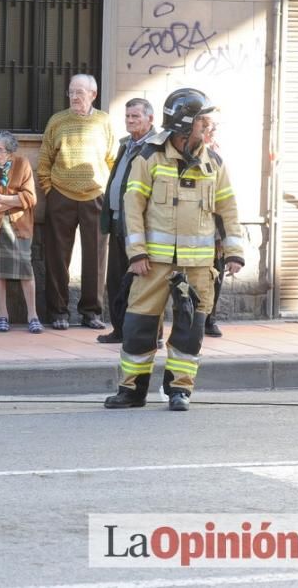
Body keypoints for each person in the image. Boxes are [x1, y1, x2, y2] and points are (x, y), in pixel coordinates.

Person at [104, 88, 244, 412]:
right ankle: (131, 390)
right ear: (185, 124)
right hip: (152, 264)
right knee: (138, 326)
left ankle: (179, 390)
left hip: (197, 267)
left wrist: (234, 252)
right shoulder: (149, 157)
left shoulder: (215, 163)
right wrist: (136, 253)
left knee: (189, 331)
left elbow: (229, 209)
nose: (211, 127)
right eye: (204, 121)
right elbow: (132, 206)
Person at [36, 74, 115, 330]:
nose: (74, 96)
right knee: (57, 256)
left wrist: (108, 189)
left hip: (95, 195)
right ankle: (57, 312)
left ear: (94, 94)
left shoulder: (103, 121)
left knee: (96, 256)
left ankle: (91, 312)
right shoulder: (57, 121)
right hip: (61, 194)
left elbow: (112, 159)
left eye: (80, 92)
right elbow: (45, 161)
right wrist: (49, 190)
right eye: (71, 91)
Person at [97, 98, 158, 345]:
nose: (130, 121)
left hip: (139, 227)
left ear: (150, 119)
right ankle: (119, 329)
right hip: (117, 222)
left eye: (136, 117)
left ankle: (152, 334)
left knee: (144, 283)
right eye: (128, 117)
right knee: (116, 281)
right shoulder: (126, 144)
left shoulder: (155, 148)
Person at [0, 130, 41, 333]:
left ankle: (33, 316)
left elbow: (30, 198)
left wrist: (2, 200)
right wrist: (12, 201)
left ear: (10, 153)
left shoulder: (23, 165)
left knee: (25, 270)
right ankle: (3, 315)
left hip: (18, 226)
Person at [202, 112, 226, 338]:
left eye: (215, 128)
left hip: (217, 227)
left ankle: (211, 318)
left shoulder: (217, 155)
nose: (212, 132)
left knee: (217, 274)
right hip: (198, 226)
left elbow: (227, 198)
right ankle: (199, 317)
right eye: (210, 127)